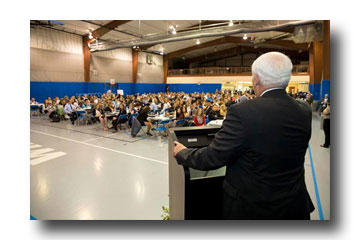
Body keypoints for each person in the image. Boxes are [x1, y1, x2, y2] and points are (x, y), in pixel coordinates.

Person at [173, 52, 314, 220]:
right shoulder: (304, 109)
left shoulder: (243, 111)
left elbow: (214, 157)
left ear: (256, 79)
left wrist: (182, 152)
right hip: (294, 206)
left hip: (252, 208)